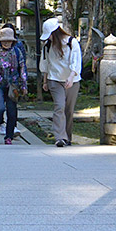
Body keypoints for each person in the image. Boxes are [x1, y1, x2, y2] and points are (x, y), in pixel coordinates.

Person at [39, 18, 82, 147]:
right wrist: (45, 81)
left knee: (69, 109)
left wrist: (70, 77)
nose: (49, 38)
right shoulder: (47, 46)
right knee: (59, 106)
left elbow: (76, 62)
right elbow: (45, 63)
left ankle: (67, 137)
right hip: (54, 80)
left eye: (50, 35)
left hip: (72, 80)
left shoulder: (71, 42)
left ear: (55, 33)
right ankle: (59, 137)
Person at [0, 27, 27, 145]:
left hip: (13, 85)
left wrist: (24, 85)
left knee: (12, 112)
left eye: (9, 40)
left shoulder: (17, 52)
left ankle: (9, 136)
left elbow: (22, 68)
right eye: (4, 40)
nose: (6, 43)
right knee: (0, 107)